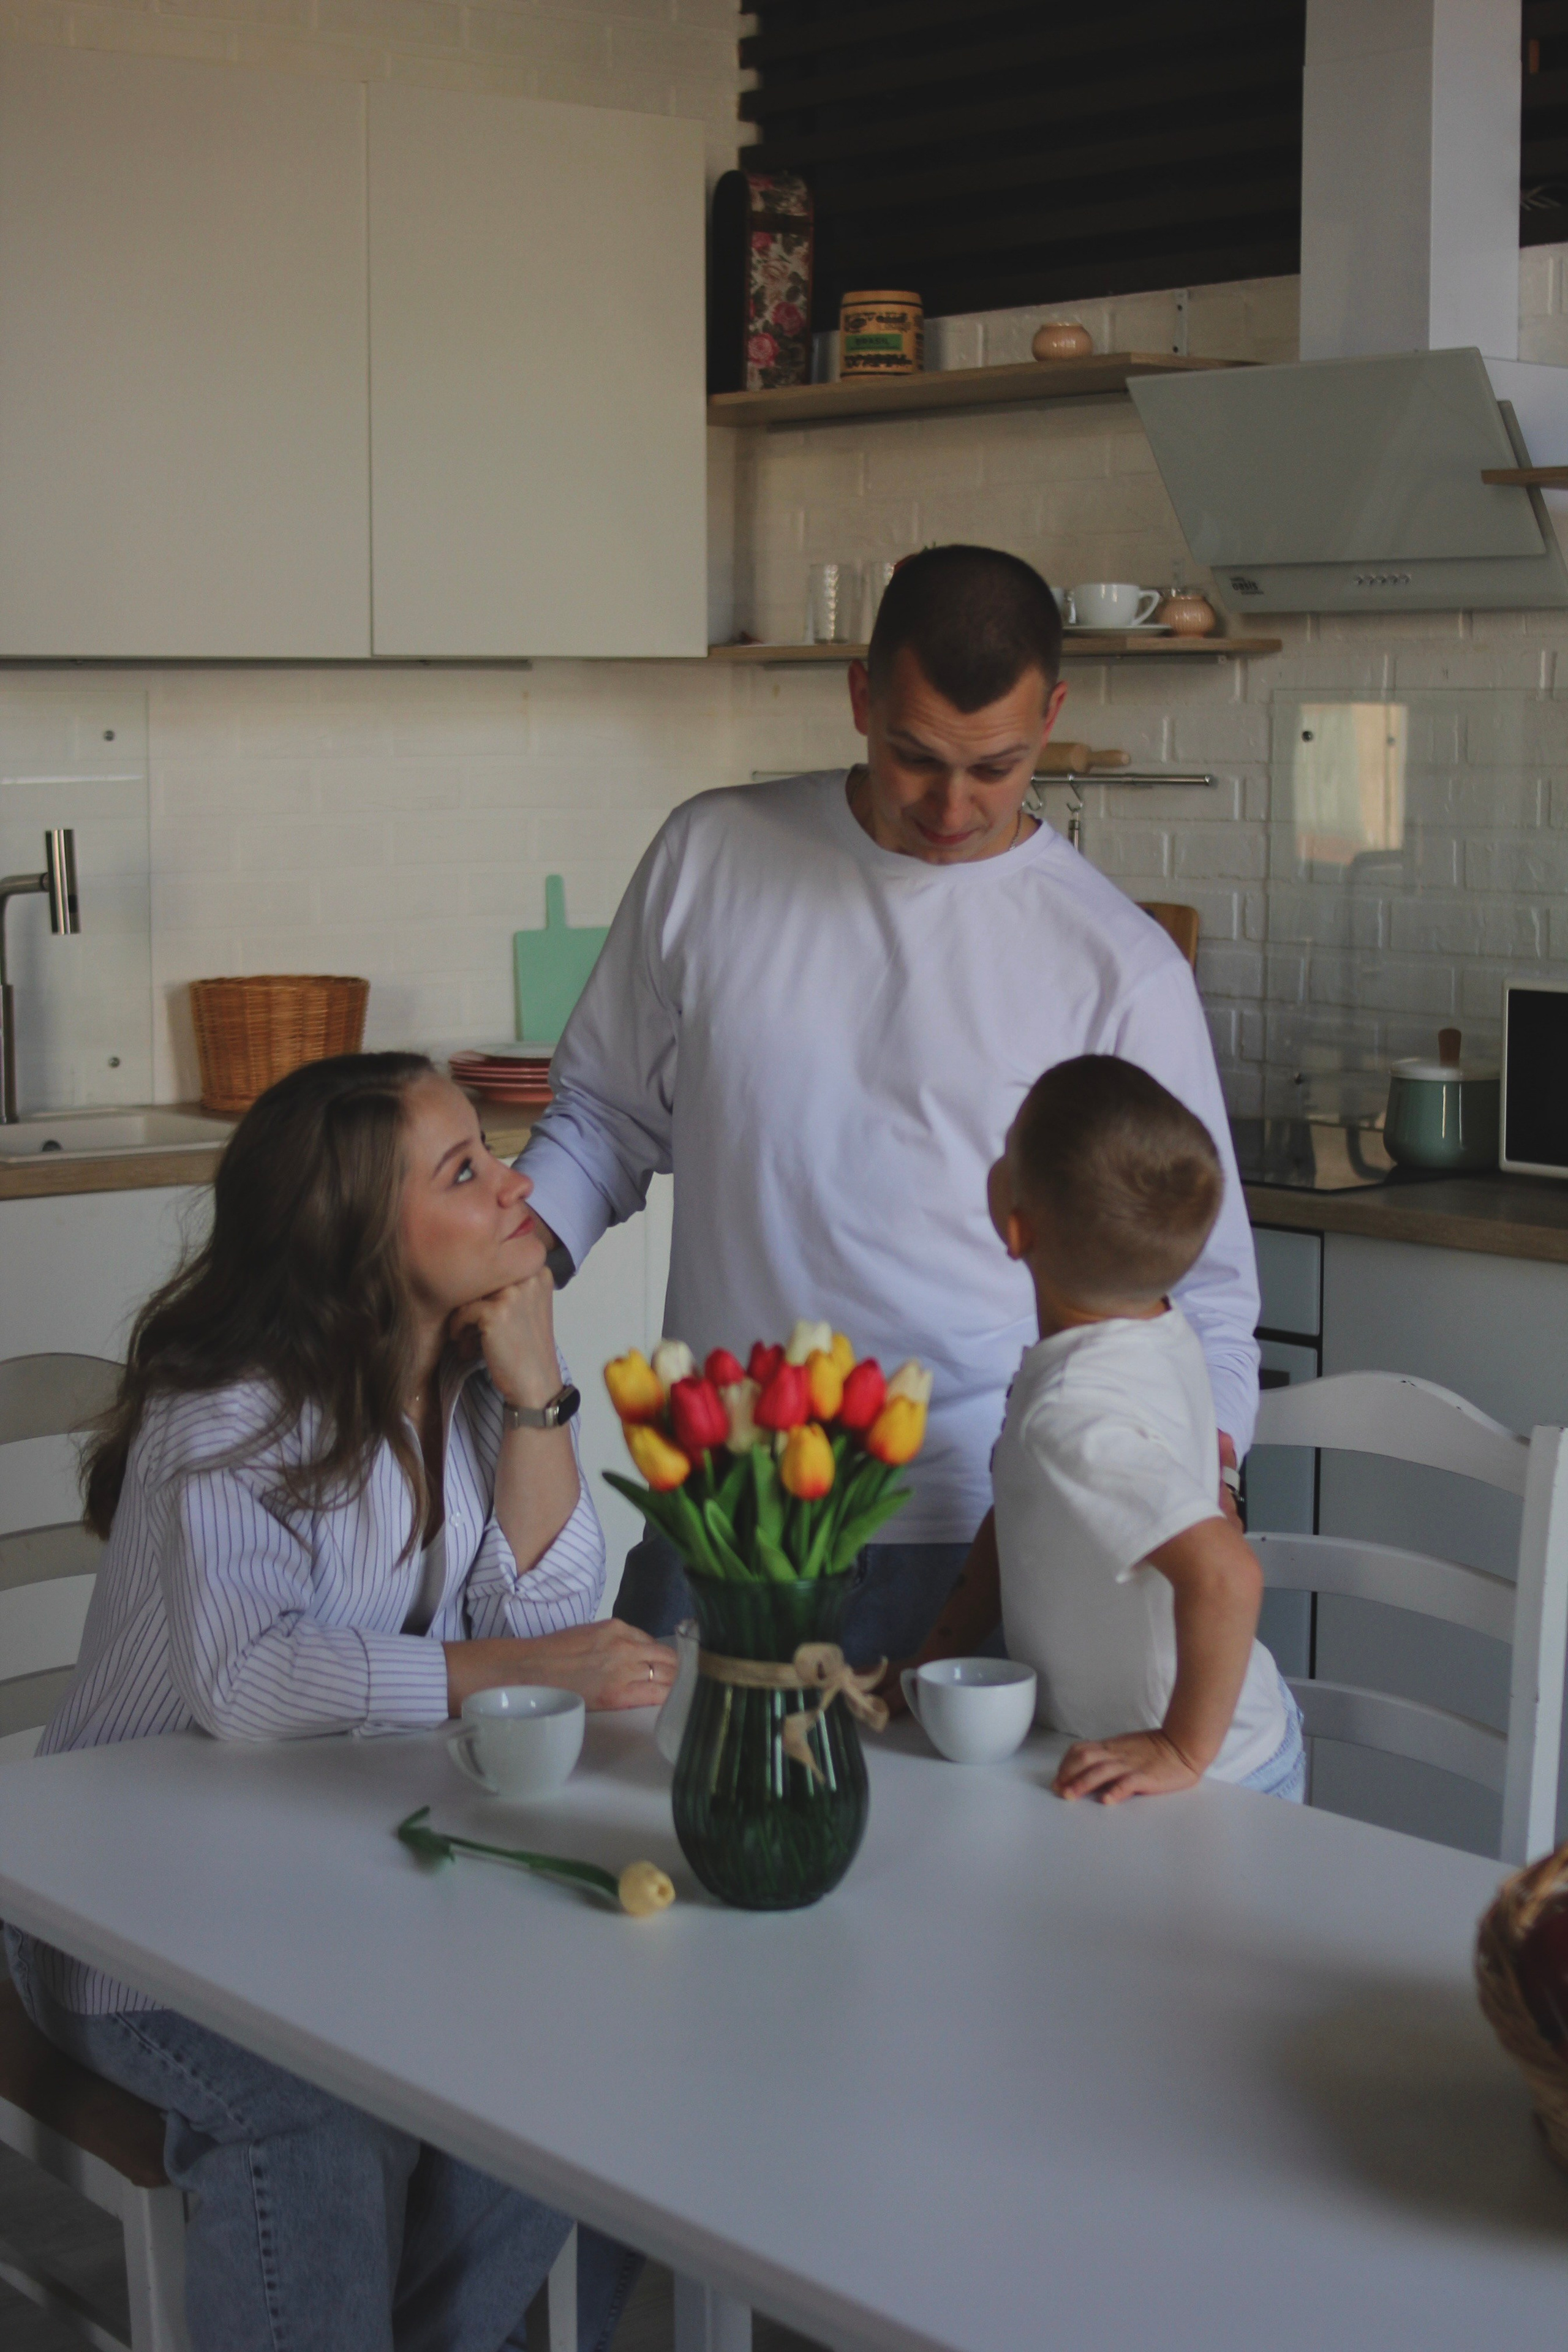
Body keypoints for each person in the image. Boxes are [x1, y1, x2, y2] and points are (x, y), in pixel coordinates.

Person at [2, 1052, 674, 2352]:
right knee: (317, 2117)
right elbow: (254, 1678)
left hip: (347, 1895)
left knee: (592, 2066)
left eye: (491, 1156)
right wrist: (532, 1672)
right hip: (132, 1919)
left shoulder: (474, 1388)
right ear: (359, 1232)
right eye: (463, 1170)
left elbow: (547, 1635)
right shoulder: (229, 1408)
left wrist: (539, 1393)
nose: (512, 1183)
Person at [518, 543, 1261, 1667]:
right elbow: (607, 1118)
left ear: (1053, 716)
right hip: (728, 1501)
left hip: (979, 1530)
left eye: (999, 767)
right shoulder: (713, 855)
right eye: (916, 758)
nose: (953, 807)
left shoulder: (1118, 965)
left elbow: (1203, 1291)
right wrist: (507, 1266)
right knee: (652, 1833)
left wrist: (1200, 1489)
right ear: (861, 696)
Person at [918, 1055, 1302, 1803]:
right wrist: (928, 1660)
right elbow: (1020, 1515)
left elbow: (1228, 1576)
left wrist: (1179, 1750)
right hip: (1223, 1744)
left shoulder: (1074, 1411)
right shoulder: (1155, 1327)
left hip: (1213, 1780)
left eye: (1009, 1147)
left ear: (1015, 1226)